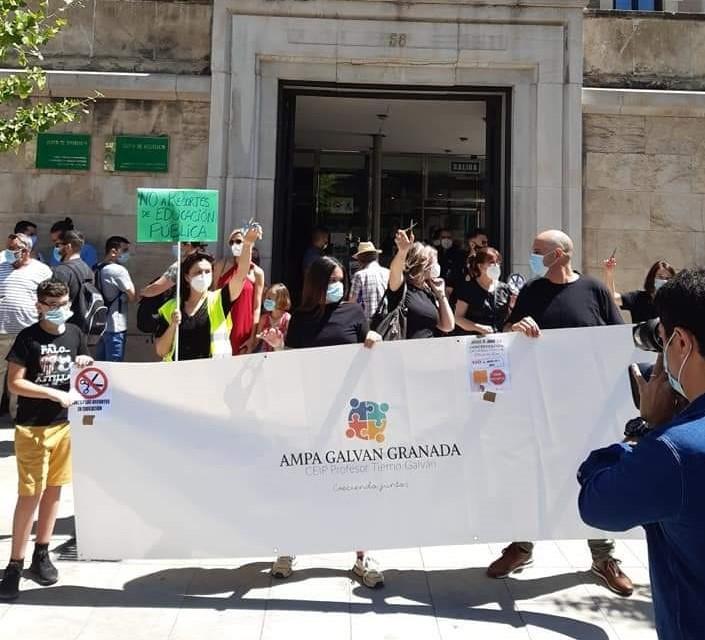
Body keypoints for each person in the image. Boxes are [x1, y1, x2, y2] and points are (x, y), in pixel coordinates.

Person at [485, 229, 634, 597]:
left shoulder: (594, 290)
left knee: (593, 475)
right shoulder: (533, 291)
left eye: (539, 251)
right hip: (540, 402)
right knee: (535, 473)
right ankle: (522, 545)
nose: (533, 256)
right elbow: (507, 330)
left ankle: (603, 556)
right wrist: (516, 327)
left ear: (563, 254)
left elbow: (617, 340)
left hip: (588, 405)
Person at [579, 268, 705, 639]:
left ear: (680, 342)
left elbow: (597, 502)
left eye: (663, 339)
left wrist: (648, 427)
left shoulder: (674, 450)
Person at [261, 256, 383, 587]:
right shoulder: (300, 319)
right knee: (300, 482)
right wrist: (280, 348)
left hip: (351, 414)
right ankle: (288, 546)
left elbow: (370, 353)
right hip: (310, 414)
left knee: (356, 485)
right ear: (316, 284)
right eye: (332, 280)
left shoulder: (354, 313)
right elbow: (295, 367)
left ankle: (362, 555)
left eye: (341, 279)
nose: (338, 285)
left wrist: (373, 340)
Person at [0, 279, 93, 601]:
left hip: (65, 426)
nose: (58, 311)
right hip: (32, 427)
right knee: (30, 494)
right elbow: (15, 383)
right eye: (51, 306)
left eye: (63, 304)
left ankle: (42, 552)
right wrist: (52, 392)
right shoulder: (28, 338)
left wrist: (85, 363)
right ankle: (14, 563)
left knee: (54, 491)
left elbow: (84, 369)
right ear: (39, 305)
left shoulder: (75, 334)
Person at [154, 226, 261, 362]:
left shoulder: (219, 300)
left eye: (208, 272)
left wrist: (247, 244)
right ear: (187, 277)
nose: (204, 276)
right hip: (178, 376)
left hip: (211, 375)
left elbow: (241, 275)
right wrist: (173, 325)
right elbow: (161, 351)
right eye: (198, 272)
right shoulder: (170, 307)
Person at [0, 234, 53, 418]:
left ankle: (18, 417)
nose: (9, 252)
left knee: (21, 377)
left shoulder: (42, 270)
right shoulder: (1, 265)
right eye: (8, 248)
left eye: (13, 249)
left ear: (26, 251)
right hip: (1, 333)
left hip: (26, 333)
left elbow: (48, 299)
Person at [386, 230, 455, 339]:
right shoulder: (402, 288)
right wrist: (402, 252)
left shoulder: (428, 292)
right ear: (422, 265)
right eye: (434, 263)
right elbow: (395, 271)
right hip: (405, 352)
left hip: (428, 351)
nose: (436, 267)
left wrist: (441, 296)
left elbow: (447, 326)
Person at [213, 228, 265, 355]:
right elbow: (213, 294)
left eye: (238, 241)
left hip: (244, 324)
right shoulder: (221, 266)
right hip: (223, 321)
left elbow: (257, 307)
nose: (234, 245)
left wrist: (253, 336)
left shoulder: (257, 272)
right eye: (231, 242)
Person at [94, 236, 136, 362]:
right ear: (113, 252)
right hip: (115, 326)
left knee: (101, 366)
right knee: (114, 367)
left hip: (98, 325)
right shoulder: (118, 270)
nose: (127, 254)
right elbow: (132, 295)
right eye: (124, 250)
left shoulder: (96, 267)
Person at [454, 247, 513, 335]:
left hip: (499, 342)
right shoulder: (468, 288)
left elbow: (508, 319)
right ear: (480, 266)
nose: (496, 266)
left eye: (498, 263)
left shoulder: (505, 289)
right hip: (475, 342)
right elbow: (458, 318)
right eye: (492, 263)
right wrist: (478, 327)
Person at [603, 257, 676, 323]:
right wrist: (609, 272)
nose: (664, 281)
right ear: (652, 278)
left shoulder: (673, 303)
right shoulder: (638, 298)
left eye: (668, 278)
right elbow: (613, 298)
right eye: (660, 277)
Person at [51, 230, 95, 330]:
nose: (56, 248)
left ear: (68, 247)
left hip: (64, 327)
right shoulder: (88, 270)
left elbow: (54, 301)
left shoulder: (61, 271)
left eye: (58, 245)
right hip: (82, 326)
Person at [139, 242, 207, 299]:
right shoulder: (209, 263)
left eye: (180, 243)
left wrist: (143, 292)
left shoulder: (180, 265)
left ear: (188, 245)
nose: (178, 246)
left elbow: (156, 288)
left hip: (184, 307)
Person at [348, 241, 390, 321]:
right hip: (385, 321)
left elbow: (352, 302)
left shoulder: (359, 275)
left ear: (360, 259)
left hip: (367, 321)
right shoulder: (387, 272)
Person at [254, 284, 292, 353]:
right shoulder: (264, 318)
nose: (266, 300)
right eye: (266, 297)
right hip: (265, 356)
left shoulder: (287, 319)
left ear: (281, 300)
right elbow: (256, 341)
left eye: (269, 298)